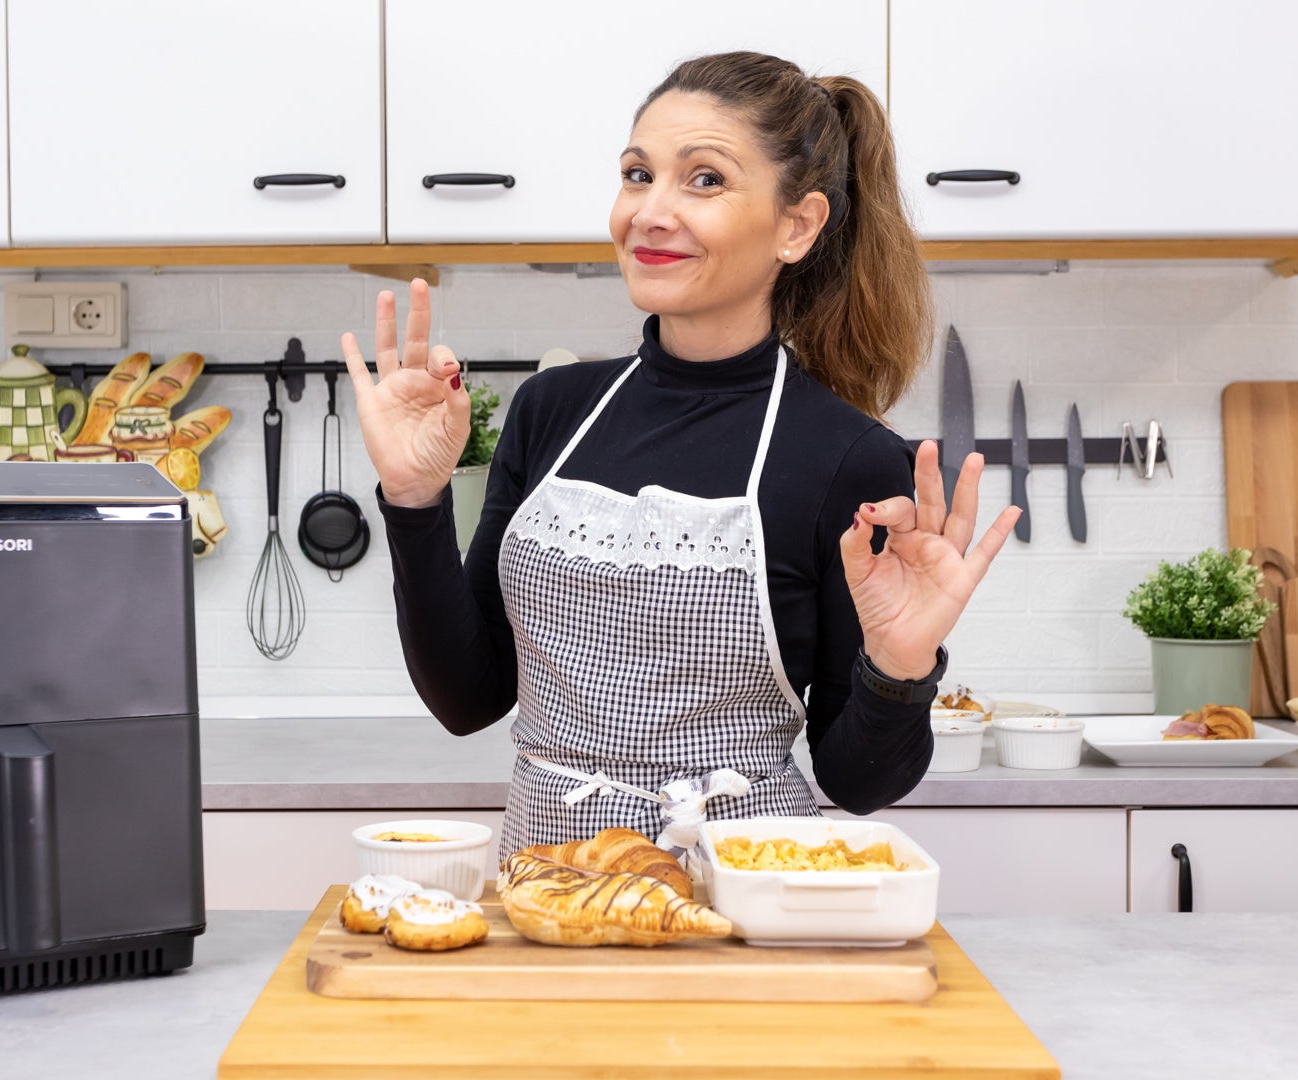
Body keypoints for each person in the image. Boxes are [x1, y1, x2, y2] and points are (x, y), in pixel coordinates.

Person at [340, 51, 1021, 860]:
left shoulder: (849, 460)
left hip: (745, 912)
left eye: (703, 180)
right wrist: (414, 502)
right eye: (637, 175)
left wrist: (899, 667)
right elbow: (468, 698)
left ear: (796, 226)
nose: (650, 212)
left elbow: (857, 784)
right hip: (550, 895)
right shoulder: (552, 411)